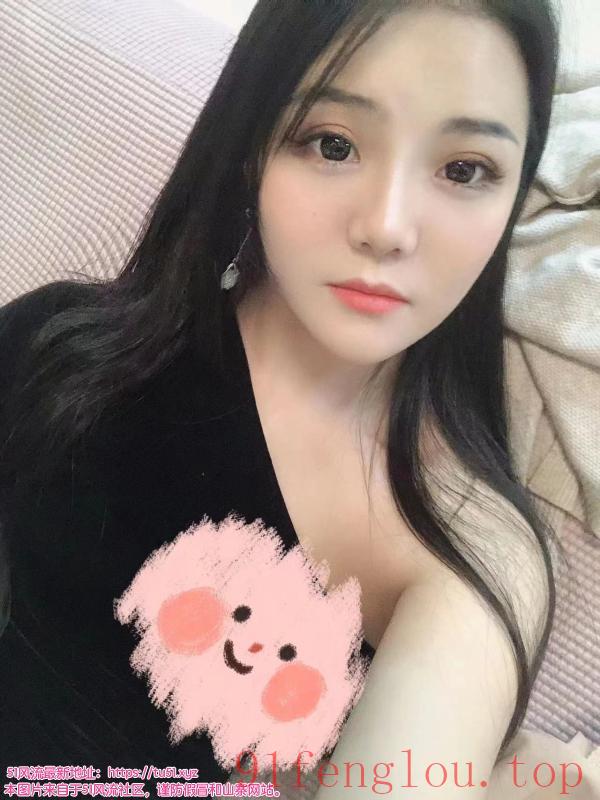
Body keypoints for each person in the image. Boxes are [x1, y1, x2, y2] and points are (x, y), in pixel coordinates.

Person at [0, 0, 565, 796]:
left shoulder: (469, 544)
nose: (387, 227)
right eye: (333, 144)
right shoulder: (59, 344)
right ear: (252, 146)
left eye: (464, 170)